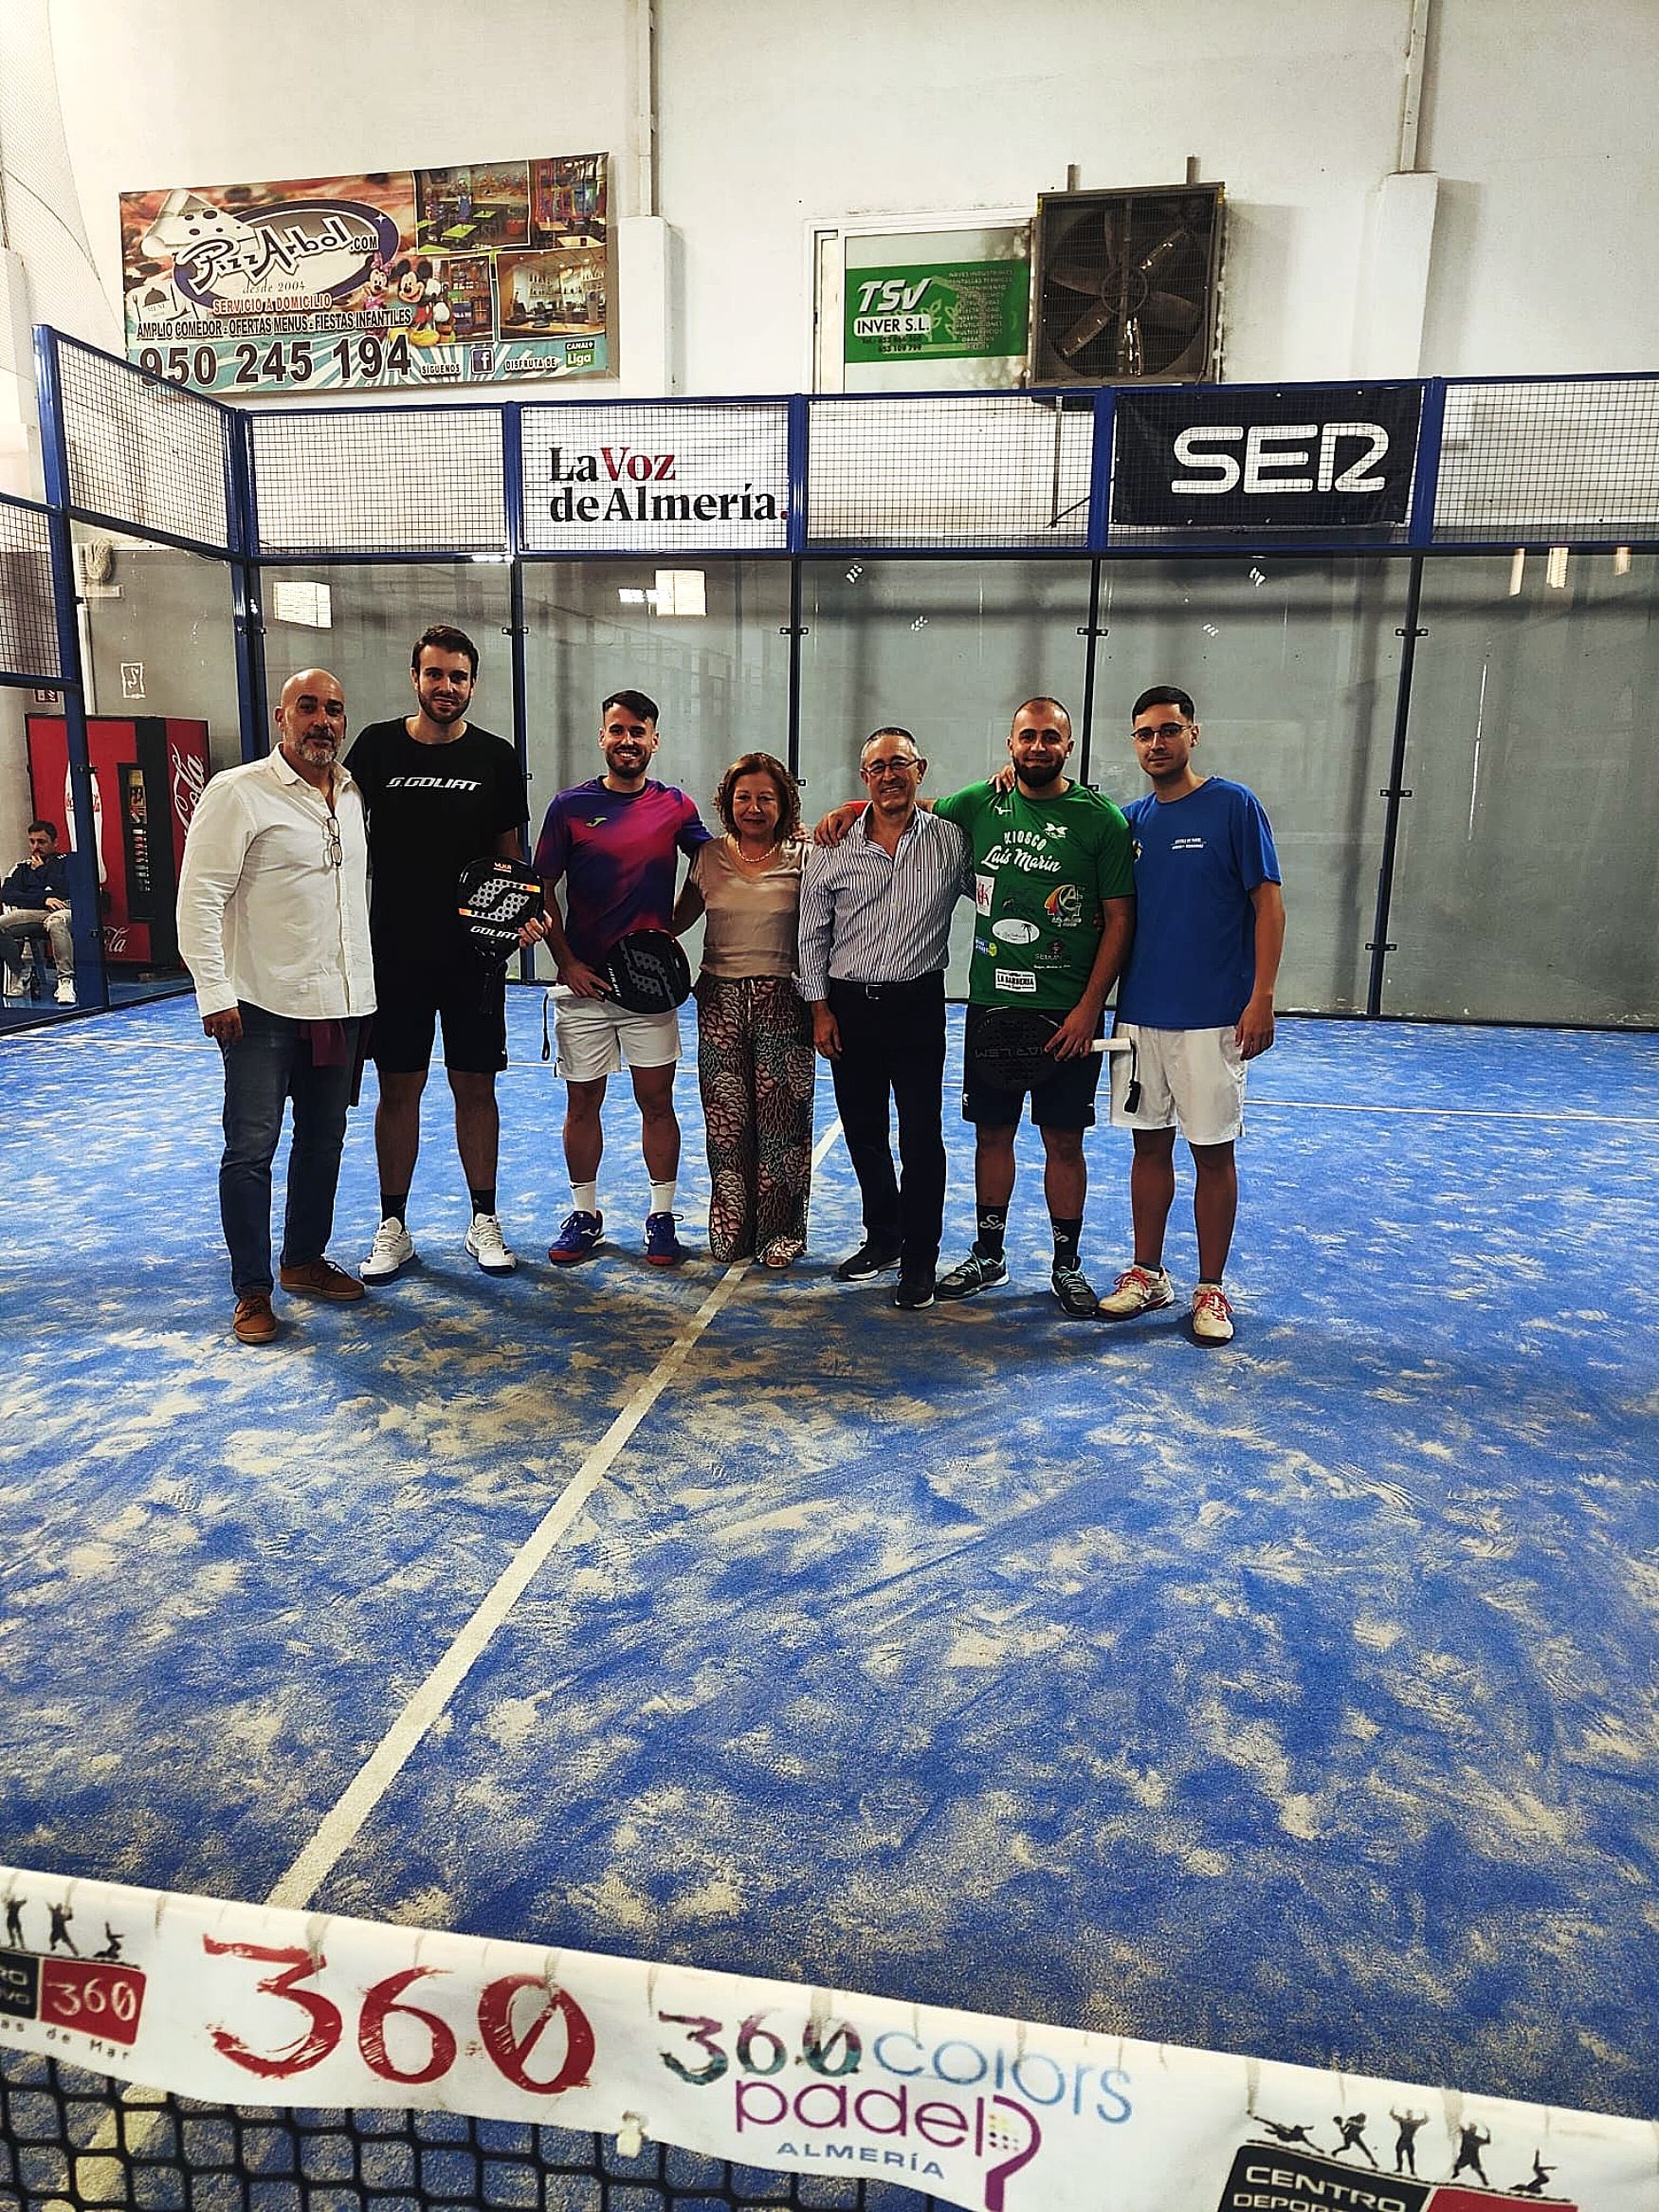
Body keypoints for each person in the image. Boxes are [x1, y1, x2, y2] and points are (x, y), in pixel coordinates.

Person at [175, 669, 374, 1345]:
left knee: (324, 1142)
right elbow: (198, 898)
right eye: (308, 707)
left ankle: (303, 1261)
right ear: (281, 717)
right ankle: (252, 1291)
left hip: (336, 1004)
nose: (323, 720)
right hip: (257, 1006)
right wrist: (214, 992)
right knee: (251, 1148)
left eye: (334, 710)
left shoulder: (348, 794)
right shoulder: (238, 792)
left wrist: (357, 995)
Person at [932, 699, 1134, 1315]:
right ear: (1010, 743)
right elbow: (911, 810)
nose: (1038, 746)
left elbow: (1120, 922)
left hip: (1067, 1014)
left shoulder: (1101, 820)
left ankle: (1066, 1264)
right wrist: (849, 811)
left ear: (1068, 746)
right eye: (1028, 736)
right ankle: (989, 1255)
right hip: (992, 1005)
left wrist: (1086, 1009)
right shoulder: (979, 803)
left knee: (1063, 1141)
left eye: (1051, 736)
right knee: (992, 1134)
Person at [1096, 686, 1285, 1345]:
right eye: (1144, 733)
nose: (1156, 742)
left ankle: (1211, 1288)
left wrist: (1260, 997)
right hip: (1140, 1016)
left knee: (1212, 1152)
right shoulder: (1128, 823)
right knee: (1148, 1146)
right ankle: (1148, 1272)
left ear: (1193, 734)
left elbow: (1268, 904)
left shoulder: (1233, 806)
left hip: (1214, 1019)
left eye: (1168, 730)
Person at [347, 626, 530, 1284]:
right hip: (393, 954)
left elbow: (509, 852)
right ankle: (393, 1225)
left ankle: (484, 1219)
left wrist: (520, 913)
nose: (445, 686)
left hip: (474, 958)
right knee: (399, 1089)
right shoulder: (372, 748)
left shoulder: (496, 758)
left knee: (474, 1087)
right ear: (415, 677)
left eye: (457, 676)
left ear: (472, 685)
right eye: (434, 674)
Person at [533, 688, 711, 1266]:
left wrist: (672, 931)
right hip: (583, 986)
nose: (627, 741)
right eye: (617, 731)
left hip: (649, 991)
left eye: (638, 731)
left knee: (656, 1102)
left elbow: (714, 866)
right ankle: (584, 1213)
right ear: (602, 737)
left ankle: (661, 1216)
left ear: (654, 740)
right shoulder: (568, 807)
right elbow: (540, 889)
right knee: (581, 1103)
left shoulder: (677, 806)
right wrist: (566, 962)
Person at [797, 727, 971, 1310]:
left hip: (918, 1006)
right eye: (877, 767)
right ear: (862, 776)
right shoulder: (830, 845)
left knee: (922, 1139)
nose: (889, 775)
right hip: (848, 1006)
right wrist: (819, 1009)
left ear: (921, 769)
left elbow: (1005, 887)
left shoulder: (953, 842)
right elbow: (811, 932)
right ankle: (884, 1237)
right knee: (864, 1134)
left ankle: (920, 1257)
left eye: (900, 764)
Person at [672, 751, 814, 1267]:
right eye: (744, 797)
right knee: (726, 1122)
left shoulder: (805, 856)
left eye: (765, 798)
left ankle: (782, 1231)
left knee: (783, 1125)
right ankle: (731, 1222)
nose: (753, 807)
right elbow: (674, 923)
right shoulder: (707, 857)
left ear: (784, 804)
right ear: (728, 803)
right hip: (718, 1001)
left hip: (784, 1000)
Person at [1, 820, 76, 1004]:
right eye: (32, 842)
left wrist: (42, 870)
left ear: (54, 842)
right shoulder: (22, 868)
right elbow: (7, 894)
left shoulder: (67, 862)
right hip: (35, 912)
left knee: (56, 921)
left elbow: (68, 888)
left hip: (66, 911)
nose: (36, 847)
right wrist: (43, 899)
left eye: (41, 842)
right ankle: (20, 971)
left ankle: (65, 981)